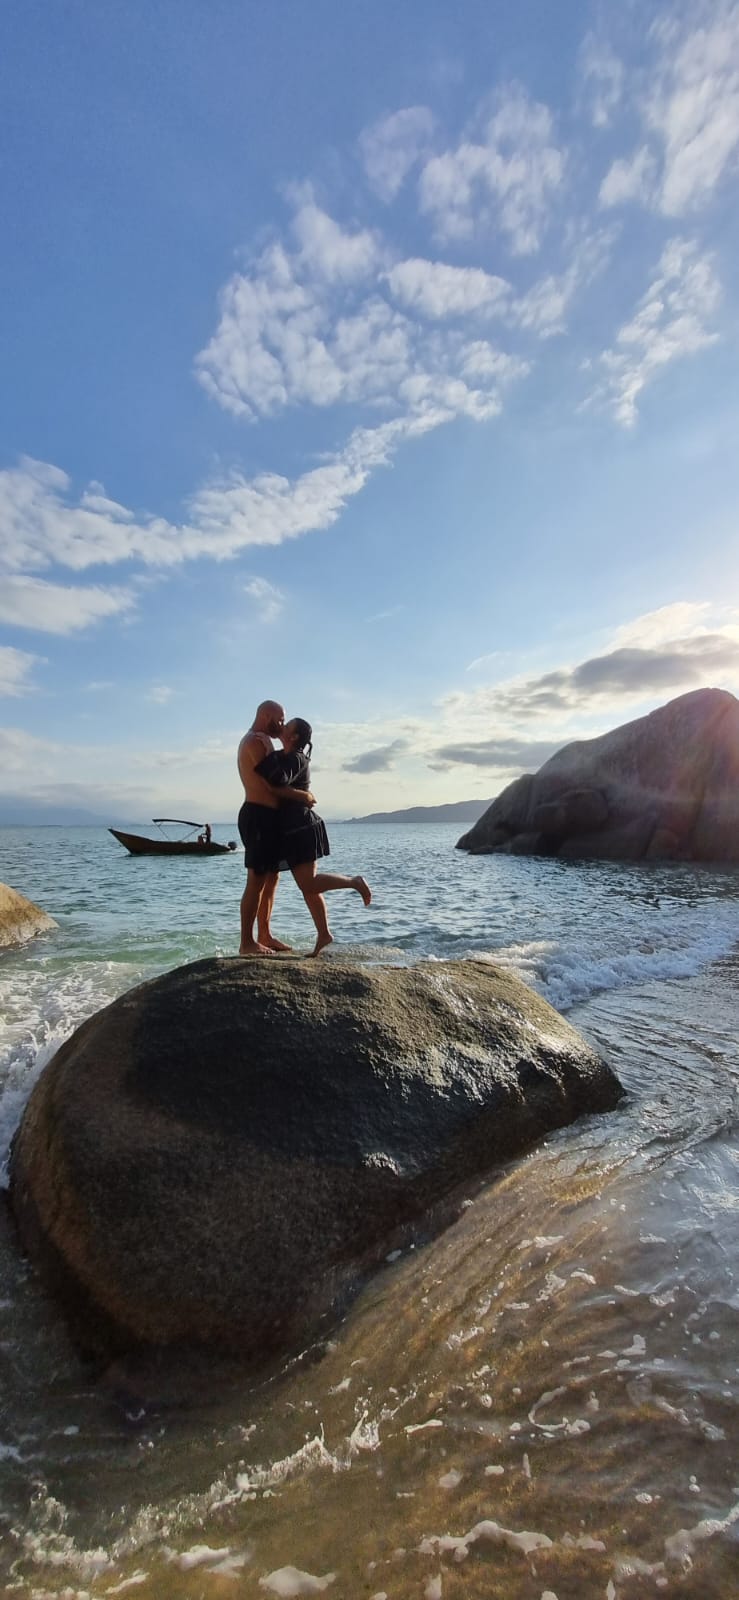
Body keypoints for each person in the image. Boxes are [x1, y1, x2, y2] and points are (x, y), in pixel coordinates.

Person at [256, 716, 371, 957]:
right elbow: (276, 779)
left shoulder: (295, 757)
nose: (282, 727)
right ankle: (324, 935)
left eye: (287, 727)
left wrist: (268, 750)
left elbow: (277, 780)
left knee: (308, 883)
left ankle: (354, 882)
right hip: (292, 829)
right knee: (308, 887)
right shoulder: (287, 756)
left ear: (294, 736)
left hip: (301, 827)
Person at [236, 700, 314, 956]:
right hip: (257, 815)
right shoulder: (254, 742)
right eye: (279, 720)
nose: (281, 725)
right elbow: (272, 785)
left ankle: (265, 935)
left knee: (272, 879)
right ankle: (247, 943)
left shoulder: (264, 740)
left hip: (270, 817)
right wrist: (303, 796)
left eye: (284, 722)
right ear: (266, 715)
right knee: (256, 880)